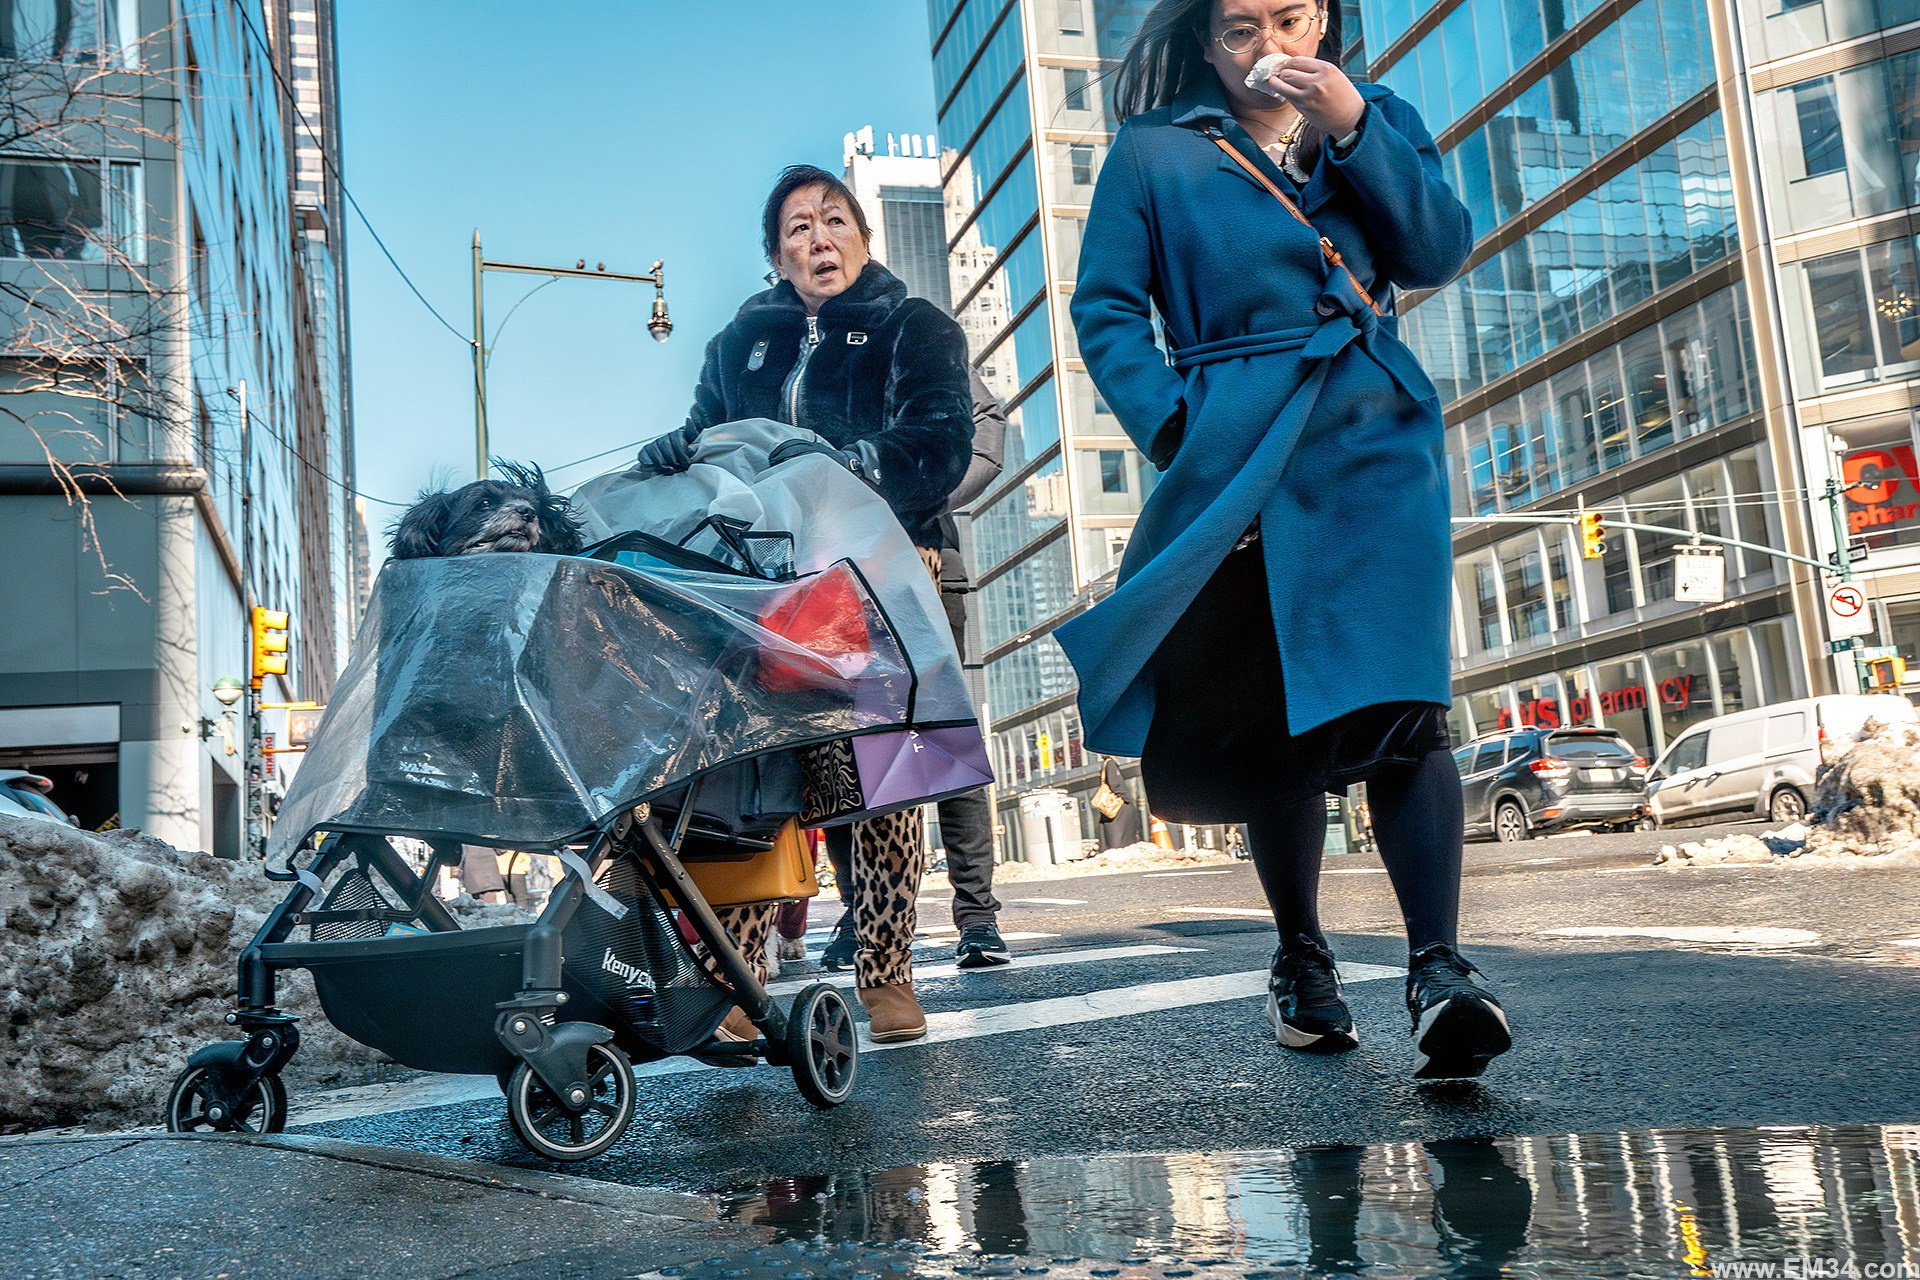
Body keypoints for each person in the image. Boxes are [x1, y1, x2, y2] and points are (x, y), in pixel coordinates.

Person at [1052, 0, 1512, 1079]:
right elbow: (1106, 309)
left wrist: (1355, 125)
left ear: (1327, 19)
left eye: (1293, 17)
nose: (1272, 45)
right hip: (1236, 449)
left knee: (1403, 701)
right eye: (1244, 27)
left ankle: (1439, 968)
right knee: (1279, 718)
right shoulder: (1153, 150)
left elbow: (1438, 247)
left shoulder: (1377, 112)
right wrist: (1178, 425)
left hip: (1374, 440)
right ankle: (1302, 957)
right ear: (1209, 43)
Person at [639, 164, 973, 1043]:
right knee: (749, 772)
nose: (818, 238)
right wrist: (680, 449)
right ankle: (736, 977)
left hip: (878, 574)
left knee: (877, 777)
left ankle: (887, 970)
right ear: (776, 256)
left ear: (863, 235)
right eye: (797, 228)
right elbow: (710, 443)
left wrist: (850, 467)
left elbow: (941, 441)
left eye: (833, 220)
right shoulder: (734, 342)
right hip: (762, 578)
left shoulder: (915, 326)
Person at [818, 369, 1011, 971]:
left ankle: (976, 915)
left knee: (944, 734)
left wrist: (916, 491)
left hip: (925, 558)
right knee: (845, 746)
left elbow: (986, 433)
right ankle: (860, 911)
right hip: (833, 573)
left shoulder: (909, 337)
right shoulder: (784, 349)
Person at [1096, 755, 1143, 849]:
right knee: (1123, 829)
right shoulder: (1111, 763)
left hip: (1112, 804)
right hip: (1118, 803)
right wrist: (1127, 798)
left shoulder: (1106, 764)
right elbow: (1115, 784)